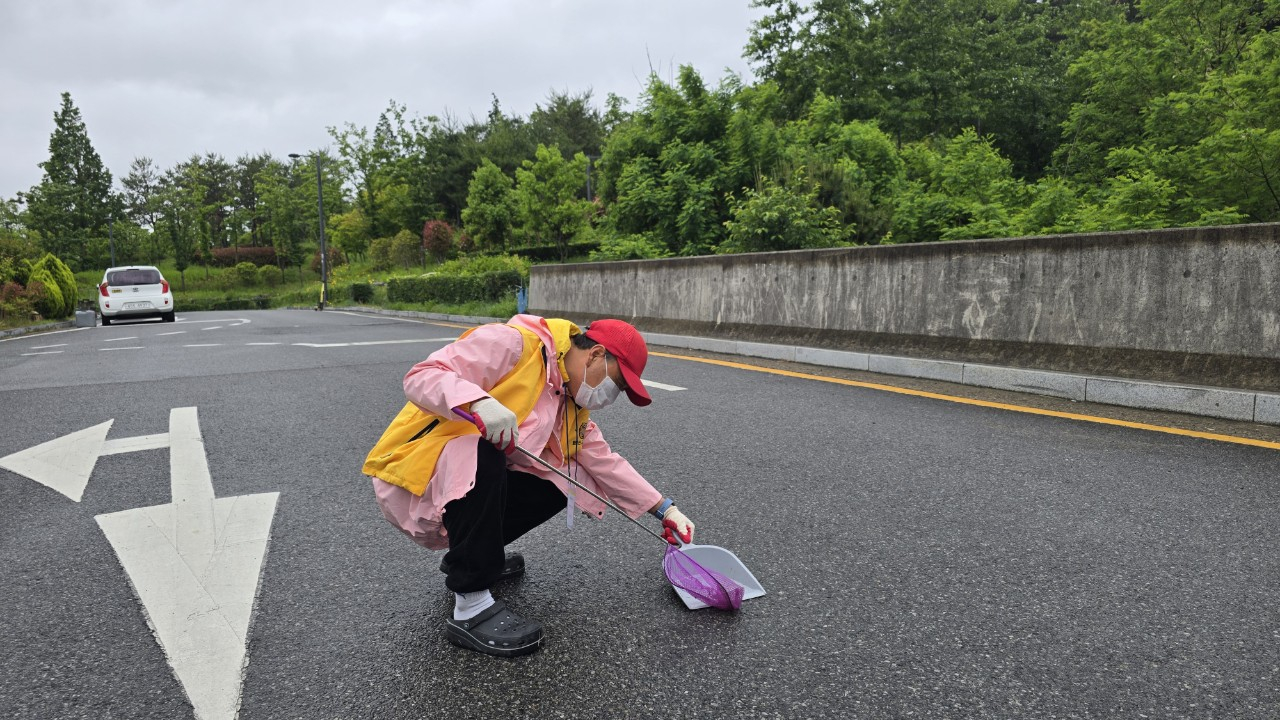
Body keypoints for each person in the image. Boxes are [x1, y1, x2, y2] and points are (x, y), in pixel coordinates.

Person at [364, 314, 696, 658]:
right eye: (617, 384)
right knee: (484, 448)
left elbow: (603, 461)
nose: (613, 396)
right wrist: (478, 402)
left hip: (455, 487)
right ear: (596, 355)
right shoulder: (511, 343)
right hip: (413, 478)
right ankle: (471, 605)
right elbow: (422, 376)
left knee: (566, 478)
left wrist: (664, 509)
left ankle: (475, 554)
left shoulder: (569, 403)